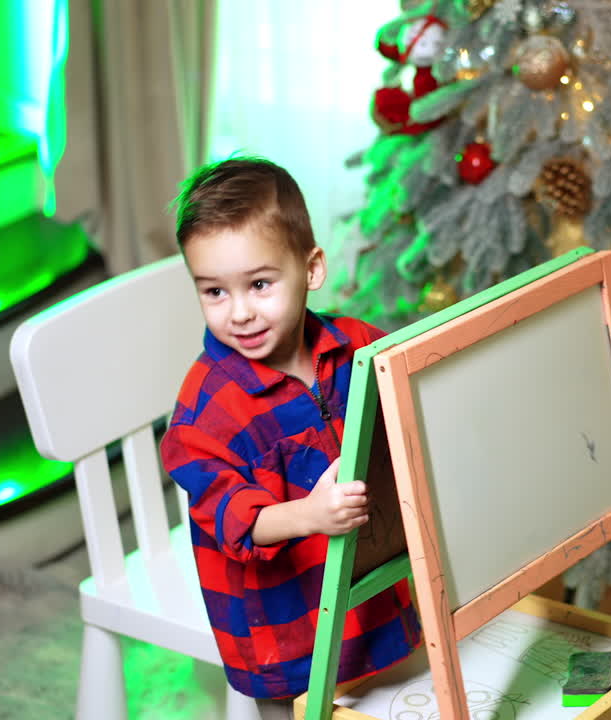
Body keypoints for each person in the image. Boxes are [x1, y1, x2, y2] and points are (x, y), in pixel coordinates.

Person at [159, 157, 421, 719]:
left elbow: (408, 403)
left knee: (392, 695)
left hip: (368, 587)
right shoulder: (204, 412)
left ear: (312, 269)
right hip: (282, 621)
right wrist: (310, 514)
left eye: (259, 284)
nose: (240, 313)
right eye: (215, 292)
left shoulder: (357, 347)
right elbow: (238, 520)